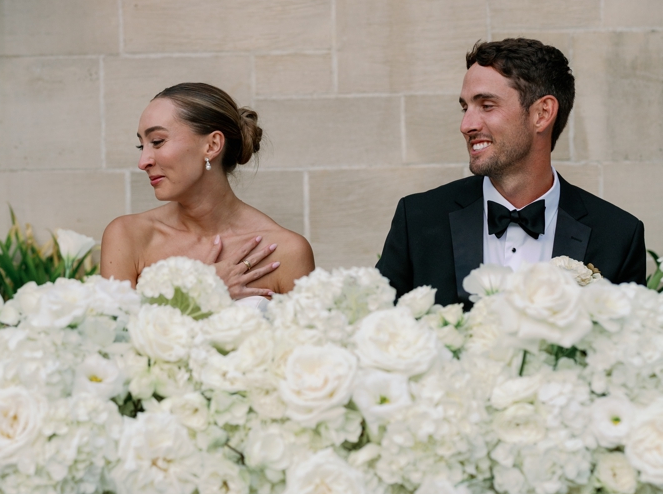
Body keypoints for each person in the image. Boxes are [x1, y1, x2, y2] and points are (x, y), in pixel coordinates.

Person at [377, 39, 646, 307]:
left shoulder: (617, 235)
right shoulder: (418, 220)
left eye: (486, 105)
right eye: (465, 107)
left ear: (542, 113)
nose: (466, 125)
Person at [101, 83, 315, 296]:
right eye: (142, 145)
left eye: (157, 141)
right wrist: (203, 290)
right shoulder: (128, 237)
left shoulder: (286, 253)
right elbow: (114, 329)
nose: (143, 162)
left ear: (212, 145)